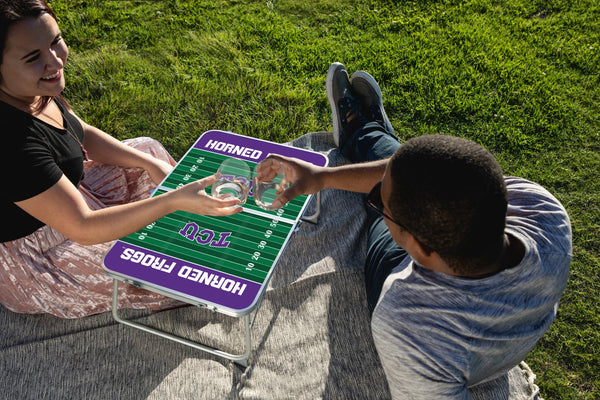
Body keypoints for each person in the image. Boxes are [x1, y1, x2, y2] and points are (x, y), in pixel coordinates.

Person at [261, 62, 572, 398]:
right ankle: (366, 133)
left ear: (420, 247)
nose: (376, 200)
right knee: (416, 174)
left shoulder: (408, 322)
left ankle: (363, 132)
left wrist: (364, 195)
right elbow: (440, 179)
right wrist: (321, 178)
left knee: (393, 198)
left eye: (382, 205)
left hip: (400, 270)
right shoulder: (544, 210)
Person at [0, 0, 241, 318]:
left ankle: (190, 218)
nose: (55, 60)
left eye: (55, 41)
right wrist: (171, 202)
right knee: (168, 267)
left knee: (146, 149)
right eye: (34, 57)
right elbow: (83, 227)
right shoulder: (11, 143)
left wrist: (150, 165)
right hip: (40, 257)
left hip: (73, 197)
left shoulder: (31, 90)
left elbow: (79, 132)